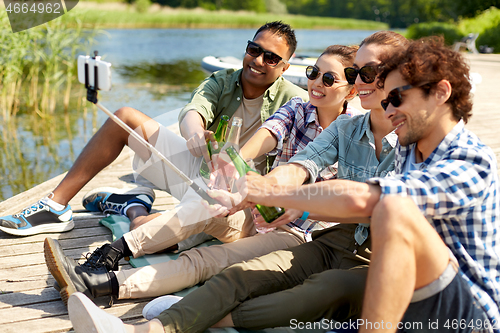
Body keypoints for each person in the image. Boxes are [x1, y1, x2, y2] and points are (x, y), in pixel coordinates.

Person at [64, 30, 411, 332]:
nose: (317, 83)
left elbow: (348, 200)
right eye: (314, 73)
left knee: (210, 260)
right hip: (266, 212)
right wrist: (243, 172)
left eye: (331, 78)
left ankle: (108, 284)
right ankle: (113, 252)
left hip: (299, 230)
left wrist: (290, 202)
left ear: (350, 90)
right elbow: (294, 158)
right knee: (206, 206)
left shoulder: (405, 139)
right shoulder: (313, 116)